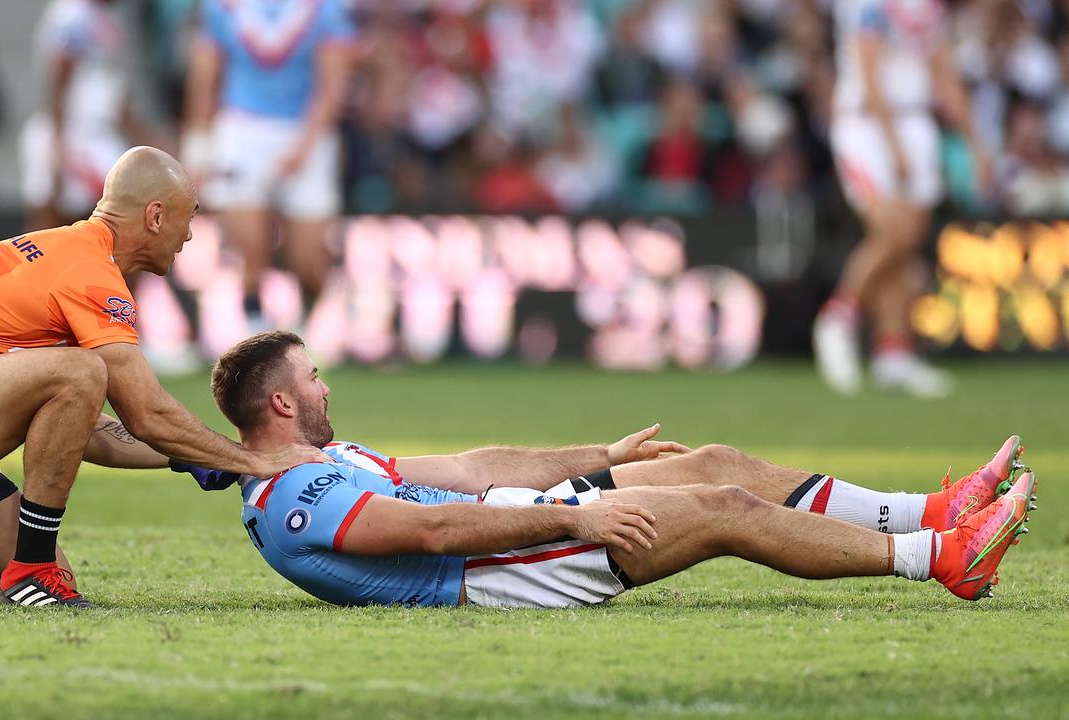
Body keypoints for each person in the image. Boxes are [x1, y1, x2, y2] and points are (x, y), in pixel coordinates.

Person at [0, 148, 325, 608]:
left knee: (6, 571)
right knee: (82, 374)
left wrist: (192, 456)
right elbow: (146, 412)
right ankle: (34, 571)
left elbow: (78, 430)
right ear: (157, 216)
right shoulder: (91, 275)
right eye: (189, 218)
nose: (190, 235)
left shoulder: (57, 248)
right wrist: (253, 459)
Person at [205, 331, 1036, 608]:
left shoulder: (335, 457)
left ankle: (927, 511)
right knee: (724, 506)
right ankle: (945, 560)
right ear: (280, 404)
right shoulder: (296, 498)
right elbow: (431, 526)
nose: (325, 384)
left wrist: (601, 461)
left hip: (519, 519)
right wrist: (577, 515)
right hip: (504, 568)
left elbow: (470, 469)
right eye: (312, 377)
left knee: (713, 460)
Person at [814, 0, 992, 398]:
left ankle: (891, 351)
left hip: (917, 122)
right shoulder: (871, 6)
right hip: (868, 123)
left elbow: (944, 75)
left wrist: (976, 145)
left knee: (907, 244)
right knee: (891, 234)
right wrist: (892, 142)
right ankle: (838, 317)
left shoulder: (929, 11)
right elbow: (868, 68)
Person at [181, 0, 356, 332]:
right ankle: (257, 337)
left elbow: (332, 85)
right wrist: (197, 156)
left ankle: (302, 323)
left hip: (306, 130)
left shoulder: (326, 9)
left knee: (308, 262)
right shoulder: (222, 7)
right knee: (250, 248)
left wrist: (304, 146)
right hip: (242, 130)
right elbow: (204, 82)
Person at [21, 0, 159, 230]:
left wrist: (146, 136)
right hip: (76, 130)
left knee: (102, 225)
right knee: (54, 223)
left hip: (99, 130)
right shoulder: (71, 15)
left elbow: (110, 88)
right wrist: (57, 139)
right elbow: (60, 75)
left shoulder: (105, 17)